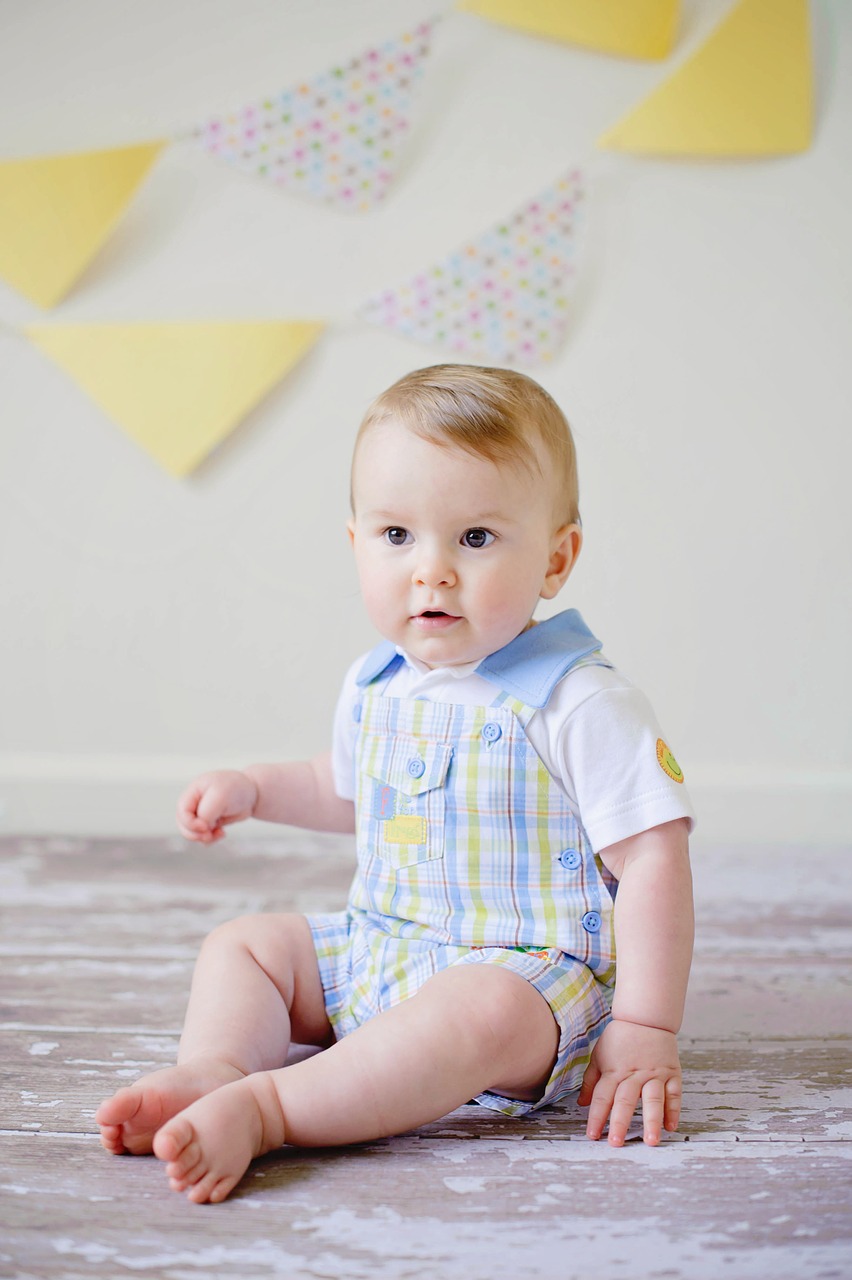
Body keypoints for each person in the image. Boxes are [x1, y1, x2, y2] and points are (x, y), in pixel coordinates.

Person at [96, 364, 695, 1204]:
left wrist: (644, 1026)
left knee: (476, 1012)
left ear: (557, 559)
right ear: (356, 544)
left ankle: (270, 1108)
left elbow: (655, 861)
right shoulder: (377, 682)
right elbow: (344, 791)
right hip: (385, 945)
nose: (432, 571)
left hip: (528, 983)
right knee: (248, 945)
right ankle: (216, 1067)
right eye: (397, 536)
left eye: (476, 538)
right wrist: (258, 788)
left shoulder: (579, 701)